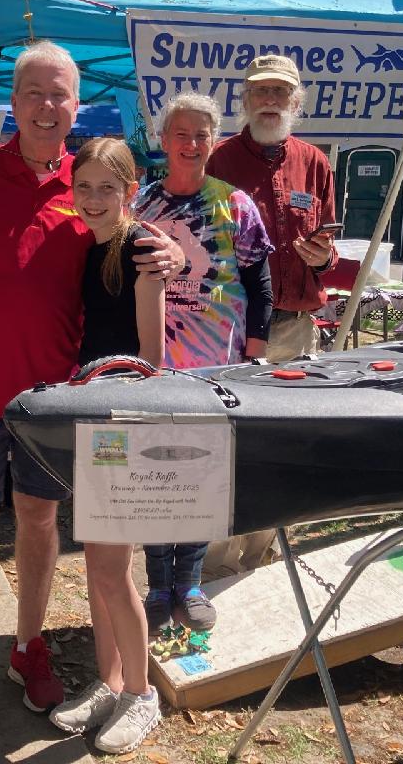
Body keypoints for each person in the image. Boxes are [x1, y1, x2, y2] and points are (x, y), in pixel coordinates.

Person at [0, 42, 183, 738]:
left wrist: (174, 255)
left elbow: (141, 242)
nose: (46, 106)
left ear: (77, 104)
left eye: (59, 93)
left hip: (58, 402)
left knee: (42, 524)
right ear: (13, 99)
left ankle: (27, 645)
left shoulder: (89, 183)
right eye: (33, 92)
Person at [133, 92, 274, 627]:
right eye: (181, 134)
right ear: (164, 141)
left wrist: (253, 358)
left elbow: (261, 287)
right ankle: (154, 586)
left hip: (217, 370)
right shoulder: (140, 207)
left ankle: (189, 583)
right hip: (153, 368)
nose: (191, 144)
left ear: (213, 143)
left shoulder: (236, 205)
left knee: (199, 478)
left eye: (202, 135)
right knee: (151, 478)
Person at [48, 138, 165, 754]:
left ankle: (141, 694)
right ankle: (110, 680)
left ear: (130, 187)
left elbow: (153, 357)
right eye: (84, 186)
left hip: (123, 421)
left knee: (114, 572)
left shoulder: (142, 250)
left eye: (107, 188)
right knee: (97, 568)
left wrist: (123, 420)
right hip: (91, 417)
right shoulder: (89, 247)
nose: (94, 199)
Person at [203, 53, 338, 579]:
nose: (270, 101)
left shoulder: (315, 162)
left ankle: (261, 556)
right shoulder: (218, 161)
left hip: (294, 329)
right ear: (245, 98)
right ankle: (214, 563)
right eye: (260, 91)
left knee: (284, 443)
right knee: (228, 441)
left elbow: (331, 240)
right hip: (231, 332)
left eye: (280, 93)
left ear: (295, 102)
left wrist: (323, 256)